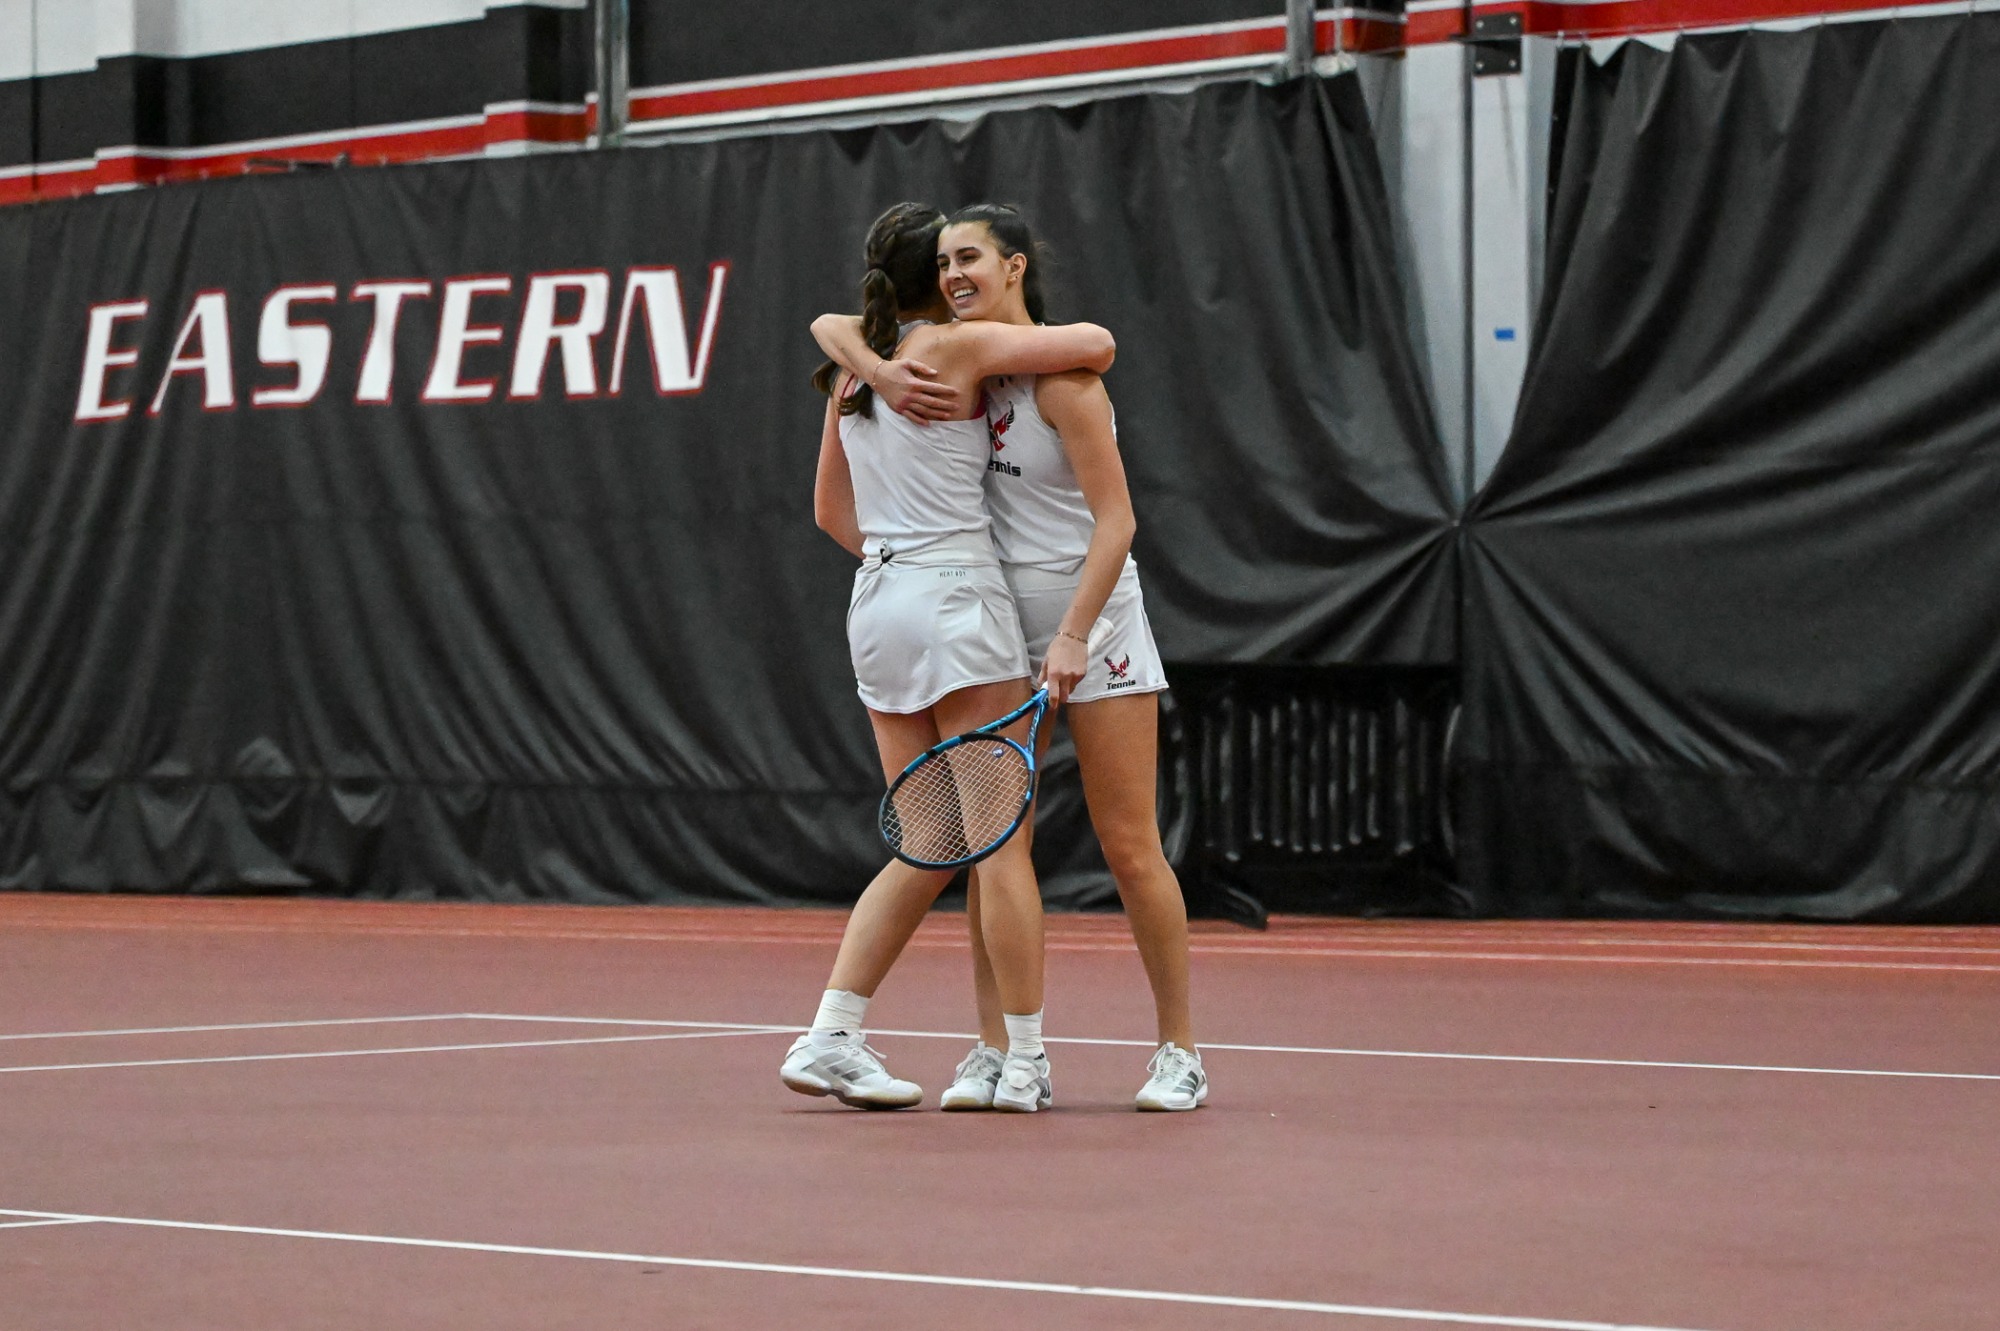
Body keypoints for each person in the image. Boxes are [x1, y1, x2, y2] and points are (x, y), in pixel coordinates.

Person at [815, 203, 1204, 1112]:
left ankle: (1179, 1048)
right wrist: (869, 362)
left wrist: (1073, 634)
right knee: (998, 846)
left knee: (1129, 843)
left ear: (1014, 267)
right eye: (944, 262)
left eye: (972, 260)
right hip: (989, 625)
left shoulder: (1063, 381)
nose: (955, 276)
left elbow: (1119, 521)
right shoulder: (956, 372)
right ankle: (996, 1048)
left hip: (1091, 621)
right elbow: (836, 326)